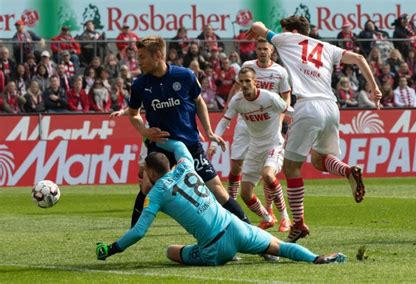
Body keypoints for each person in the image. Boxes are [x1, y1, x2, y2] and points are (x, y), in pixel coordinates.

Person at [95, 139, 347, 266]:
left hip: (214, 248)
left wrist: (111, 249)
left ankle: (214, 254)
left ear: (150, 173)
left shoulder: (157, 193)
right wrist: (161, 142)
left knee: (171, 251)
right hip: (236, 227)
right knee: (279, 247)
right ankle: (317, 259)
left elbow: (139, 231)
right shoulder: (185, 165)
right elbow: (181, 145)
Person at [246, 16, 382, 242]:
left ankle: (298, 224)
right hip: (331, 107)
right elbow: (358, 58)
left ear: (294, 30)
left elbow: (258, 26)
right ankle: (347, 171)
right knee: (320, 160)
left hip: (308, 106)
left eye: (285, 30)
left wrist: (257, 30)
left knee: (291, 168)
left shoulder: (287, 39)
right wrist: (375, 88)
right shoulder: (326, 47)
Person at [127, 36, 250, 231]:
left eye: (142, 57)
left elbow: (199, 101)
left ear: (158, 55)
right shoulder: (140, 85)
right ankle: (132, 234)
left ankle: (251, 232)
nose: (139, 61)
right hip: (160, 146)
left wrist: (208, 130)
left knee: (216, 189)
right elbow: (133, 114)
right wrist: (144, 130)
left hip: (190, 146)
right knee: (147, 187)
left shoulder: (184, 76)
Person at [214, 38, 292, 233]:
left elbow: (289, 109)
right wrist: (214, 141)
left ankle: (285, 218)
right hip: (255, 147)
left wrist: (307, 124)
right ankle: (267, 217)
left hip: (273, 143)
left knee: (268, 174)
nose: (246, 84)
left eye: (249, 81)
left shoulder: (270, 96)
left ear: (255, 82)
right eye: (243, 82)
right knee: (246, 192)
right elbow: (225, 120)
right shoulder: (238, 101)